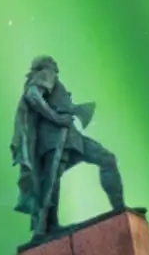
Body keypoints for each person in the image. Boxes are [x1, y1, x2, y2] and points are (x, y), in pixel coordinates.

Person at [10, 55, 124, 238]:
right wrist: (56, 117)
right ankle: (47, 227)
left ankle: (119, 210)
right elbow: (33, 95)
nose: (56, 64)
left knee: (105, 159)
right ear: (47, 65)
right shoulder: (45, 74)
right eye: (52, 62)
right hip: (55, 137)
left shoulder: (53, 79)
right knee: (52, 182)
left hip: (69, 135)